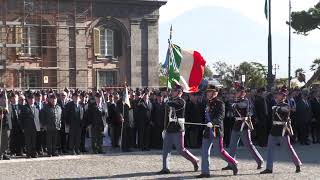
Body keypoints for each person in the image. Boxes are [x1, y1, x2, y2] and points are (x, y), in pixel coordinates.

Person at [197, 85, 238, 178]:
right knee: (204, 151)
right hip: (208, 130)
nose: (208, 93)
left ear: (215, 93)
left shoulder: (220, 103)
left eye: (210, 92)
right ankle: (205, 172)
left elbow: (220, 116)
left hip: (216, 130)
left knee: (220, 152)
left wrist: (212, 122)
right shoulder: (207, 103)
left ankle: (233, 162)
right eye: (207, 92)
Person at [158, 83, 199, 174]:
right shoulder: (171, 100)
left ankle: (194, 160)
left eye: (174, 91)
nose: (172, 92)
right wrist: (164, 128)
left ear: (179, 92)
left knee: (181, 150)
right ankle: (165, 168)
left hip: (178, 128)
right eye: (172, 90)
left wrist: (167, 100)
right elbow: (166, 116)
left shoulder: (181, 101)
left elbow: (175, 104)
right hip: (169, 128)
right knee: (166, 149)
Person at [260, 87, 302, 174]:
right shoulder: (275, 105)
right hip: (274, 129)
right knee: (270, 148)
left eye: (279, 95)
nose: (277, 96)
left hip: (283, 129)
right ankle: (269, 168)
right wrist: (276, 107)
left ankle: (297, 164)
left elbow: (286, 110)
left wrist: (277, 108)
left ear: (283, 97)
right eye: (277, 94)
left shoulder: (285, 105)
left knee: (288, 148)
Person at [222, 86, 264, 171]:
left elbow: (242, 106)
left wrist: (234, 102)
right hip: (236, 124)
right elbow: (230, 106)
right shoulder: (235, 101)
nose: (236, 93)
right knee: (232, 145)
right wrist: (232, 101)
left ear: (243, 93)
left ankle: (260, 161)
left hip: (244, 125)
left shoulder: (246, 101)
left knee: (248, 145)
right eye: (237, 91)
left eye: (239, 92)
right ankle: (231, 163)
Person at [20, 93, 40, 158]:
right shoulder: (24, 107)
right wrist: (22, 127)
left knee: (34, 140)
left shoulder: (36, 107)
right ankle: (28, 153)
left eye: (33, 99)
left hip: (35, 127)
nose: (32, 100)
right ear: (28, 100)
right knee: (28, 141)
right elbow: (21, 118)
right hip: (27, 127)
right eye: (30, 99)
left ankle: (33, 153)